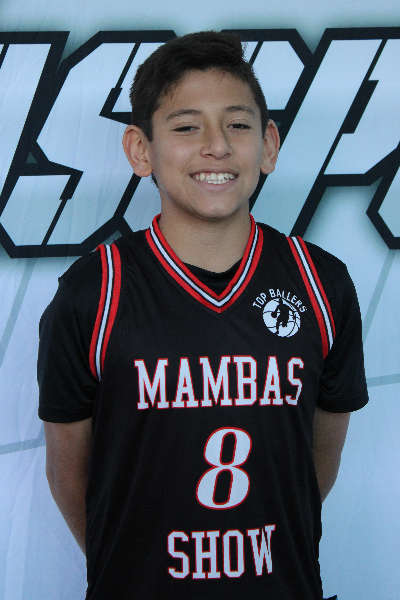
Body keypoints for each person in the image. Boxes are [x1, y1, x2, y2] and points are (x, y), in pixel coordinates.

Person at [38, 31, 368, 600]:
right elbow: (70, 475)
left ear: (268, 144)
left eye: (237, 124)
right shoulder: (94, 293)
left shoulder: (321, 284)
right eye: (187, 127)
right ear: (141, 149)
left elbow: (317, 458)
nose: (216, 146)